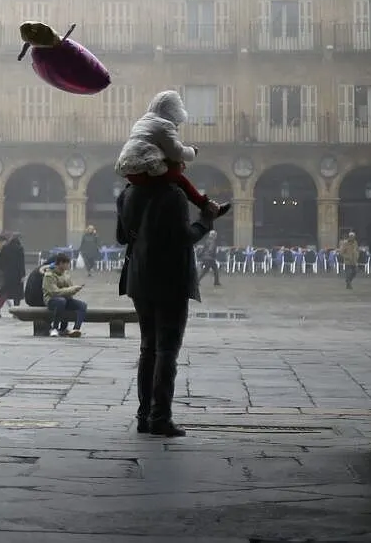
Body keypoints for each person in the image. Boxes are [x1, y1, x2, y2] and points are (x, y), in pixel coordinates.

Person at [116, 173, 215, 437]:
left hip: (138, 278)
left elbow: (121, 237)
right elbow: (183, 238)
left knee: (147, 347)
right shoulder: (173, 194)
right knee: (166, 349)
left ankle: (143, 415)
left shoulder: (128, 191)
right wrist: (206, 220)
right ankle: (160, 417)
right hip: (169, 279)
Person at [115, 91, 230, 220]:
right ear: (173, 111)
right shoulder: (165, 125)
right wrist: (192, 151)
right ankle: (206, 206)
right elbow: (177, 152)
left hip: (129, 171)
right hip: (147, 172)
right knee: (180, 179)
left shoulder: (141, 123)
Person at [42, 252, 88, 336]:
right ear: (60, 263)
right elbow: (54, 292)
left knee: (82, 305)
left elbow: (70, 289)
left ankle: (76, 329)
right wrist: (71, 289)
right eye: (67, 264)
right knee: (61, 301)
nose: (68, 266)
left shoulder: (66, 274)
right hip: (51, 300)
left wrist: (75, 289)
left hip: (65, 299)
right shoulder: (49, 275)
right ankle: (54, 328)